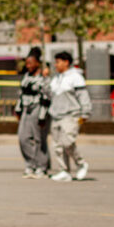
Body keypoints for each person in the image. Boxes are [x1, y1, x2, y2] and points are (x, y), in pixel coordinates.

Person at [48, 51, 92, 182]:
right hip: (56, 115)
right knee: (57, 145)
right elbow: (50, 94)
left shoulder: (75, 77)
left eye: (58, 62)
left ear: (66, 62)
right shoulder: (56, 78)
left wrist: (85, 112)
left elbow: (83, 96)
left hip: (71, 115)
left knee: (68, 142)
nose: (56, 65)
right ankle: (64, 170)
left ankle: (81, 163)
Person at [14, 46, 50, 178]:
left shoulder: (44, 77)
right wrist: (18, 109)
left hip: (38, 109)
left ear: (37, 63)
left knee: (39, 139)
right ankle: (30, 164)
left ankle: (42, 167)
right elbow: (21, 94)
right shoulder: (26, 77)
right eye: (27, 63)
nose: (28, 65)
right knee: (23, 138)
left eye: (30, 63)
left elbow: (47, 97)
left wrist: (42, 116)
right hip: (26, 110)